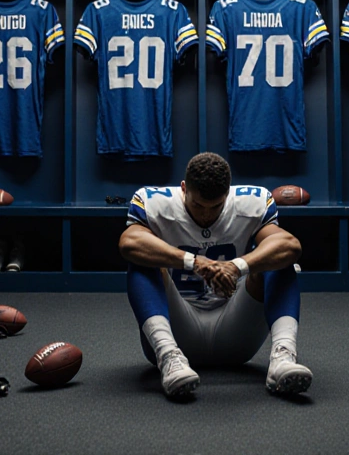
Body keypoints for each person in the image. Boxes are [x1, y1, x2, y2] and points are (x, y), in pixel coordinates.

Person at [118, 152, 310, 397]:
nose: (206, 215)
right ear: (184, 188)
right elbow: (129, 243)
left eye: (216, 206)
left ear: (228, 194)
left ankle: (283, 358)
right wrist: (193, 262)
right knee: (143, 257)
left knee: (279, 259)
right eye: (198, 205)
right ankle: (168, 357)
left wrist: (237, 266)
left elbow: (290, 246)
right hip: (178, 329)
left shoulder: (252, 201)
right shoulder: (155, 201)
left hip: (236, 331)